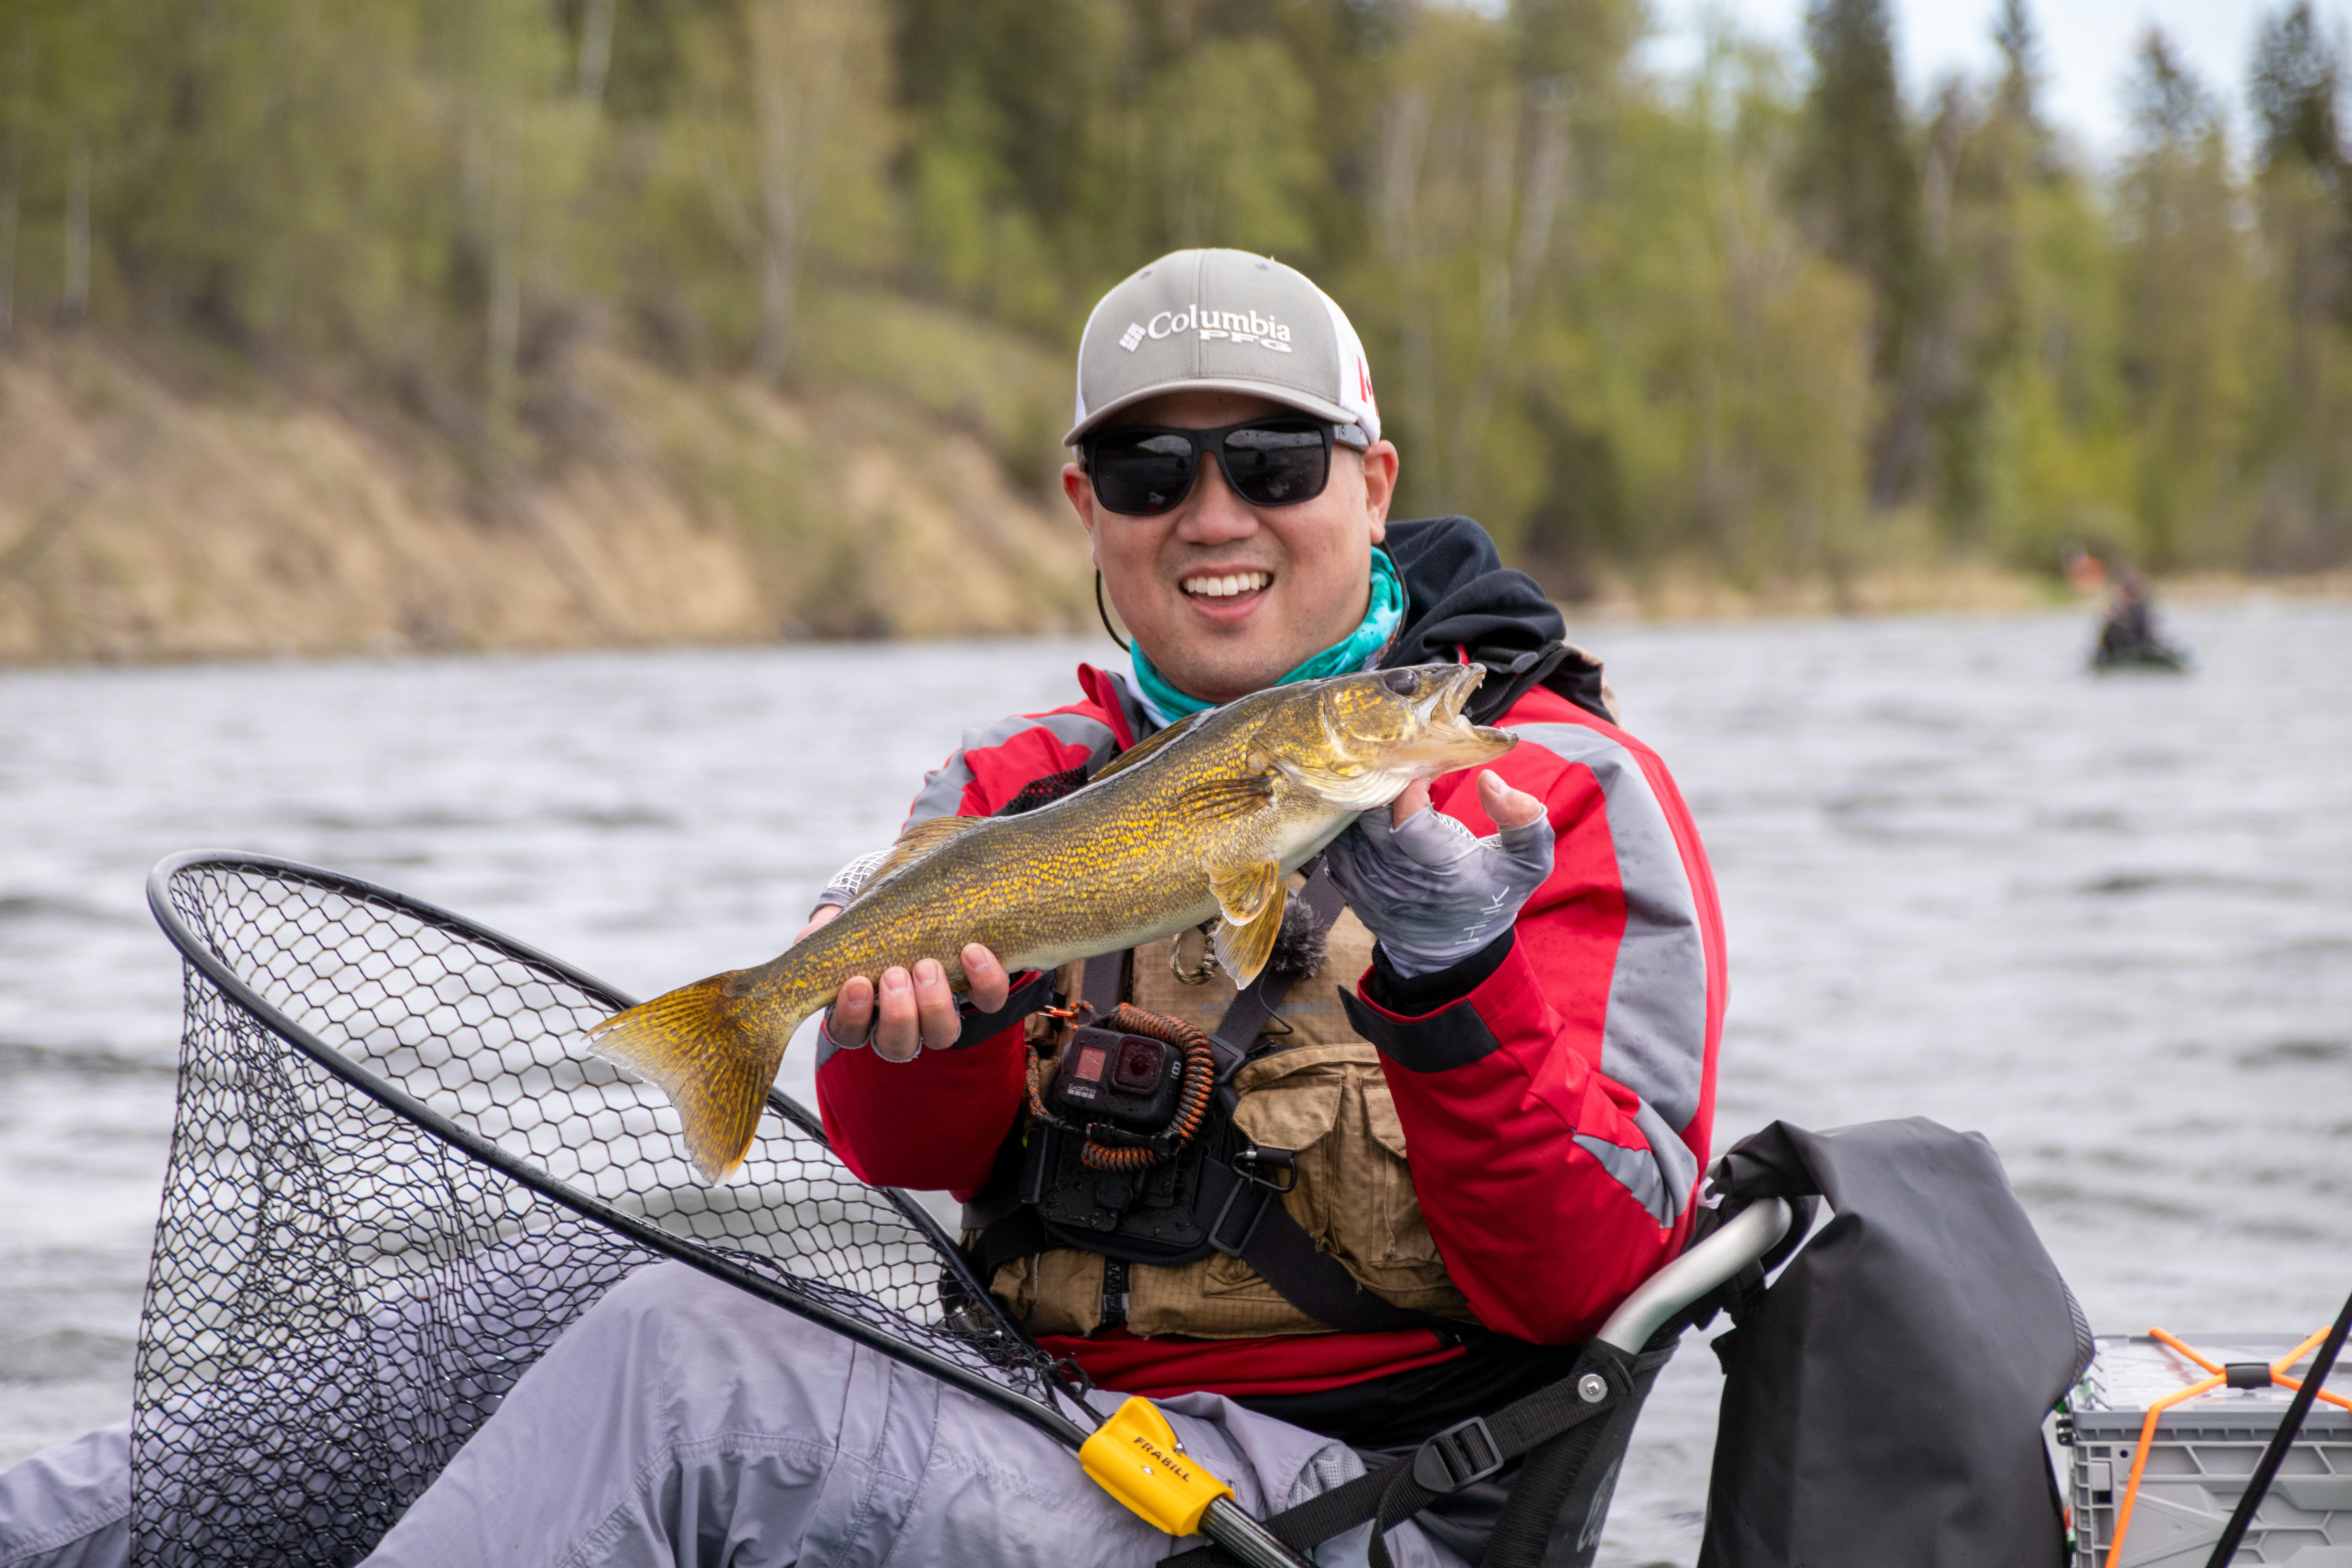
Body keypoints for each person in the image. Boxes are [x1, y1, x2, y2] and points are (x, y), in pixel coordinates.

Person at [0, 249, 1723, 1568]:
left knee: (685, 1361)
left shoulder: (1555, 790)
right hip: (1047, 1416)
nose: (1216, 514)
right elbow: (899, 1139)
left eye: (1274, 461)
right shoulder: (1011, 783)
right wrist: (943, 1029)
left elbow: (1591, 1285)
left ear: (1368, 478)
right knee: (565, 1268)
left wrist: (1451, 972)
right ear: (1086, 510)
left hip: (1340, 1508)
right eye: (1150, 475)